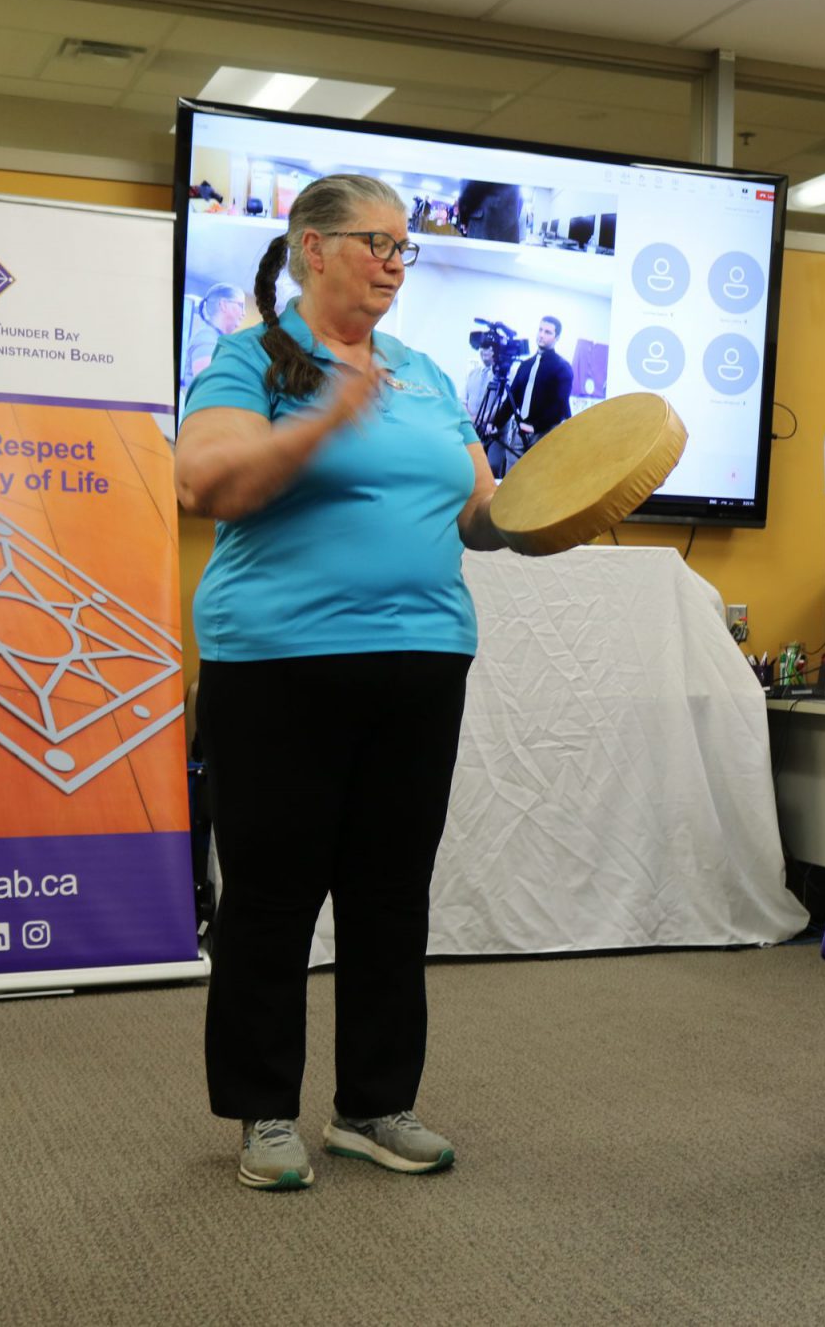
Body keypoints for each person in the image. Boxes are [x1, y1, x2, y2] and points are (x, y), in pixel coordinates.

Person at [175, 173, 509, 1192]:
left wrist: (563, 508)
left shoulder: (422, 373)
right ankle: (263, 1113)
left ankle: (372, 1104)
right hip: (277, 660)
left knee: (389, 894)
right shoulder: (253, 357)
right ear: (311, 248)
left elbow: (479, 512)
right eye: (376, 241)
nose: (394, 261)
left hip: (422, 654)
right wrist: (322, 417)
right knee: (271, 897)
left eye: (405, 247)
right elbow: (203, 481)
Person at [496, 315, 575, 477]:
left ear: (557, 337)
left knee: (539, 481)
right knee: (512, 480)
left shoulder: (562, 368)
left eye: (547, 332)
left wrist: (535, 427)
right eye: (540, 330)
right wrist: (496, 424)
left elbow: (560, 406)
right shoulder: (525, 365)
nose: (541, 335)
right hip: (520, 431)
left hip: (544, 433)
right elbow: (512, 399)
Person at [179, 283, 246, 392]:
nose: (244, 313)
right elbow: (208, 388)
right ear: (223, 305)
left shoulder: (220, 340)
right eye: (241, 305)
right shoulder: (206, 338)